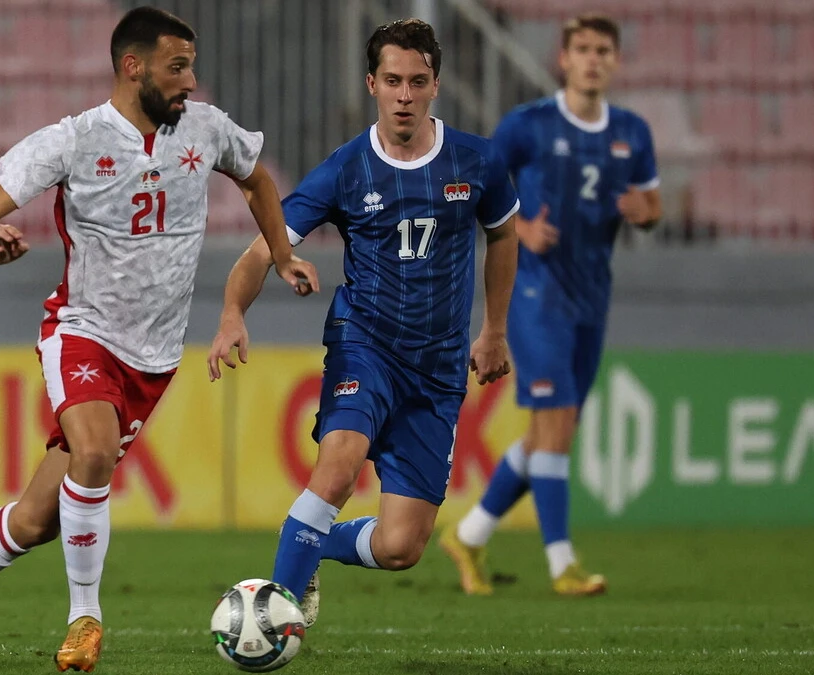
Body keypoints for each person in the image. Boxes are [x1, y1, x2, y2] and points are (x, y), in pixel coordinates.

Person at [0, 7, 317, 672]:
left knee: (35, 521)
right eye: (177, 66)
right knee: (93, 452)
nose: (190, 79)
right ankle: (85, 618)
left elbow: (258, 178)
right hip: (83, 333)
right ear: (133, 67)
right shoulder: (72, 140)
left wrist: (280, 251)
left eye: (191, 65)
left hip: (153, 358)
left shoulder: (207, 130)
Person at [207, 18, 518, 628]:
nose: (405, 95)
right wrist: (231, 313)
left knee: (402, 547)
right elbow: (263, 249)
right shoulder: (345, 169)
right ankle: (270, 620)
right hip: (365, 344)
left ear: (436, 86)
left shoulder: (478, 161)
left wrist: (495, 330)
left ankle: (310, 538)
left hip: (438, 365)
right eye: (394, 81)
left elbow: (503, 234)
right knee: (339, 465)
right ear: (371, 83)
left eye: (418, 82)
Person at [441, 14, 662, 597]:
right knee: (556, 427)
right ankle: (562, 563)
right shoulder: (528, 126)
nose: (592, 59)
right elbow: (477, 182)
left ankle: (468, 534)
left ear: (615, 61)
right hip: (535, 293)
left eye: (603, 50)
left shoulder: (633, 132)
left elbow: (652, 201)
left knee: (549, 433)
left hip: (592, 297)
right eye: (582, 49)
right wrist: (518, 226)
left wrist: (649, 213)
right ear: (563, 59)